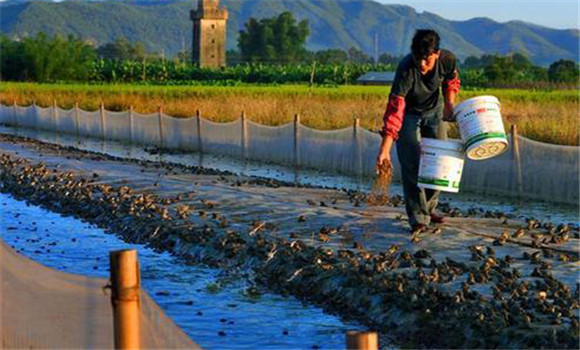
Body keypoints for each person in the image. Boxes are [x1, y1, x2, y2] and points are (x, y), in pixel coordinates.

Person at [376, 29, 460, 234]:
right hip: (409, 114)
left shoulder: (447, 60)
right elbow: (395, 109)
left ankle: (429, 209)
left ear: (437, 54)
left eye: (427, 59)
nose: (422, 64)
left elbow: (451, 82)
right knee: (411, 162)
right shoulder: (406, 69)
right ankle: (418, 217)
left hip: (435, 110)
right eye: (418, 58)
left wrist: (449, 104)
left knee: (441, 162)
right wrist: (385, 150)